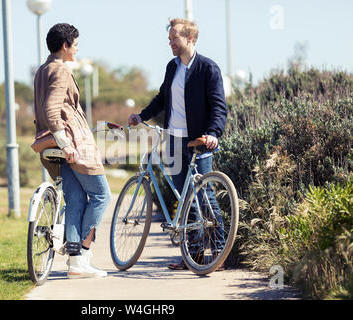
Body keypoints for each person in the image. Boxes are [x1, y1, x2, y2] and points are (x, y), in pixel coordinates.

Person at [128, 18, 227, 270]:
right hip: (173, 139)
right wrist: (142, 115)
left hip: (199, 141)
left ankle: (219, 252)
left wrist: (213, 132)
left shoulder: (208, 68)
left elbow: (218, 107)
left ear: (190, 39)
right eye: (169, 38)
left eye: (174, 38)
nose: (170, 42)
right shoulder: (172, 67)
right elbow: (162, 97)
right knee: (185, 200)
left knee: (204, 194)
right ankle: (192, 256)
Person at [33, 23, 111, 278]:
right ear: (65, 46)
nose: (77, 48)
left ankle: (76, 263)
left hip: (50, 143)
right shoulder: (61, 70)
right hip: (72, 143)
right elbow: (51, 110)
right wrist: (67, 145)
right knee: (102, 196)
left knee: (76, 200)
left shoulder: (41, 70)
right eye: (75, 44)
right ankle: (84, 253)